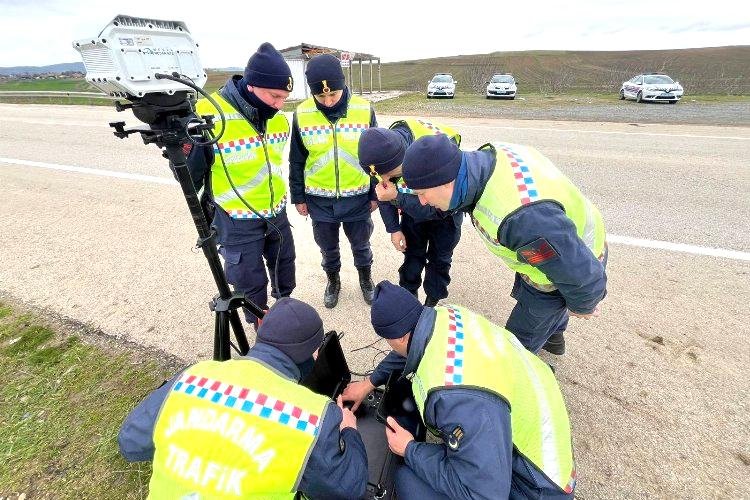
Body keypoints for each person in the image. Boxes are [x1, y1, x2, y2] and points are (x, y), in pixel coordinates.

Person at [342, 281, 576, 500]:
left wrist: (410, 450)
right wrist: (369, 383)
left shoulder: (455, 398)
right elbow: (408, 350)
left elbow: (485, 494)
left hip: (536, 487)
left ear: (400, 337)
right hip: (541, 437)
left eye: (388, 340)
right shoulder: (444, 316)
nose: (390, 346)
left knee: (405, 480)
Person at [118, 297, 368, 499]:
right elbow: (349, 489)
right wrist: (349, 430)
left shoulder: (193, 377)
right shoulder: (311, 415)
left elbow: (130, 442)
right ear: (313, 354)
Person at [401, 135, 608, 355]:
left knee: (517, 345)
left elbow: (577, 273)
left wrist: (583, 303)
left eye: (422, 193)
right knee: (546, 304)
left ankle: (520, 375)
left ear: (445, 181)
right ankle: (554, 337)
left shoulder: (522, 219)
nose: (422, 201)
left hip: (572, 261)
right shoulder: (483, 162)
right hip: (560, 242)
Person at [186, 42, 296, 328]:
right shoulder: (208, 115)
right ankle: (262, 333)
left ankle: (285, 318)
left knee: (285, 271)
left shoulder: (278, 120)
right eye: (275, 96)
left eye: (285, 98)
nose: (279, 105)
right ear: (252, 85)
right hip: (236, 219)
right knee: (250, 285)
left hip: (276, 212)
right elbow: (188, 174)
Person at [289, 53, 378, 309]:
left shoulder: (363, 109)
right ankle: (333, 281)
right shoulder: (302, 114)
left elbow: (376, 154)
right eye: (321, 96)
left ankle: (366, 279)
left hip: (357, 196)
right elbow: (297, 159)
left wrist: (374, 194)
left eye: (333, 94)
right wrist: (299, 197)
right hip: (319, 199)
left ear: (343, 85)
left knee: (361, 246)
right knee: (328, 249)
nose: (328, 101)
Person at [358, 120, 463, 307]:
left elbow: (438, 209)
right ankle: (409, 296)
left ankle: (432, 302)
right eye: (378, 176)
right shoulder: (380, 156)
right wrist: (393, 228)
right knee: (412, 257)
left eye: (388, 173)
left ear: (402, 159)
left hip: (445, 217)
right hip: (412, 216)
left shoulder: (436, 154)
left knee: (440, 260)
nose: (384, 179)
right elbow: (384, 195)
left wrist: (396, 196)